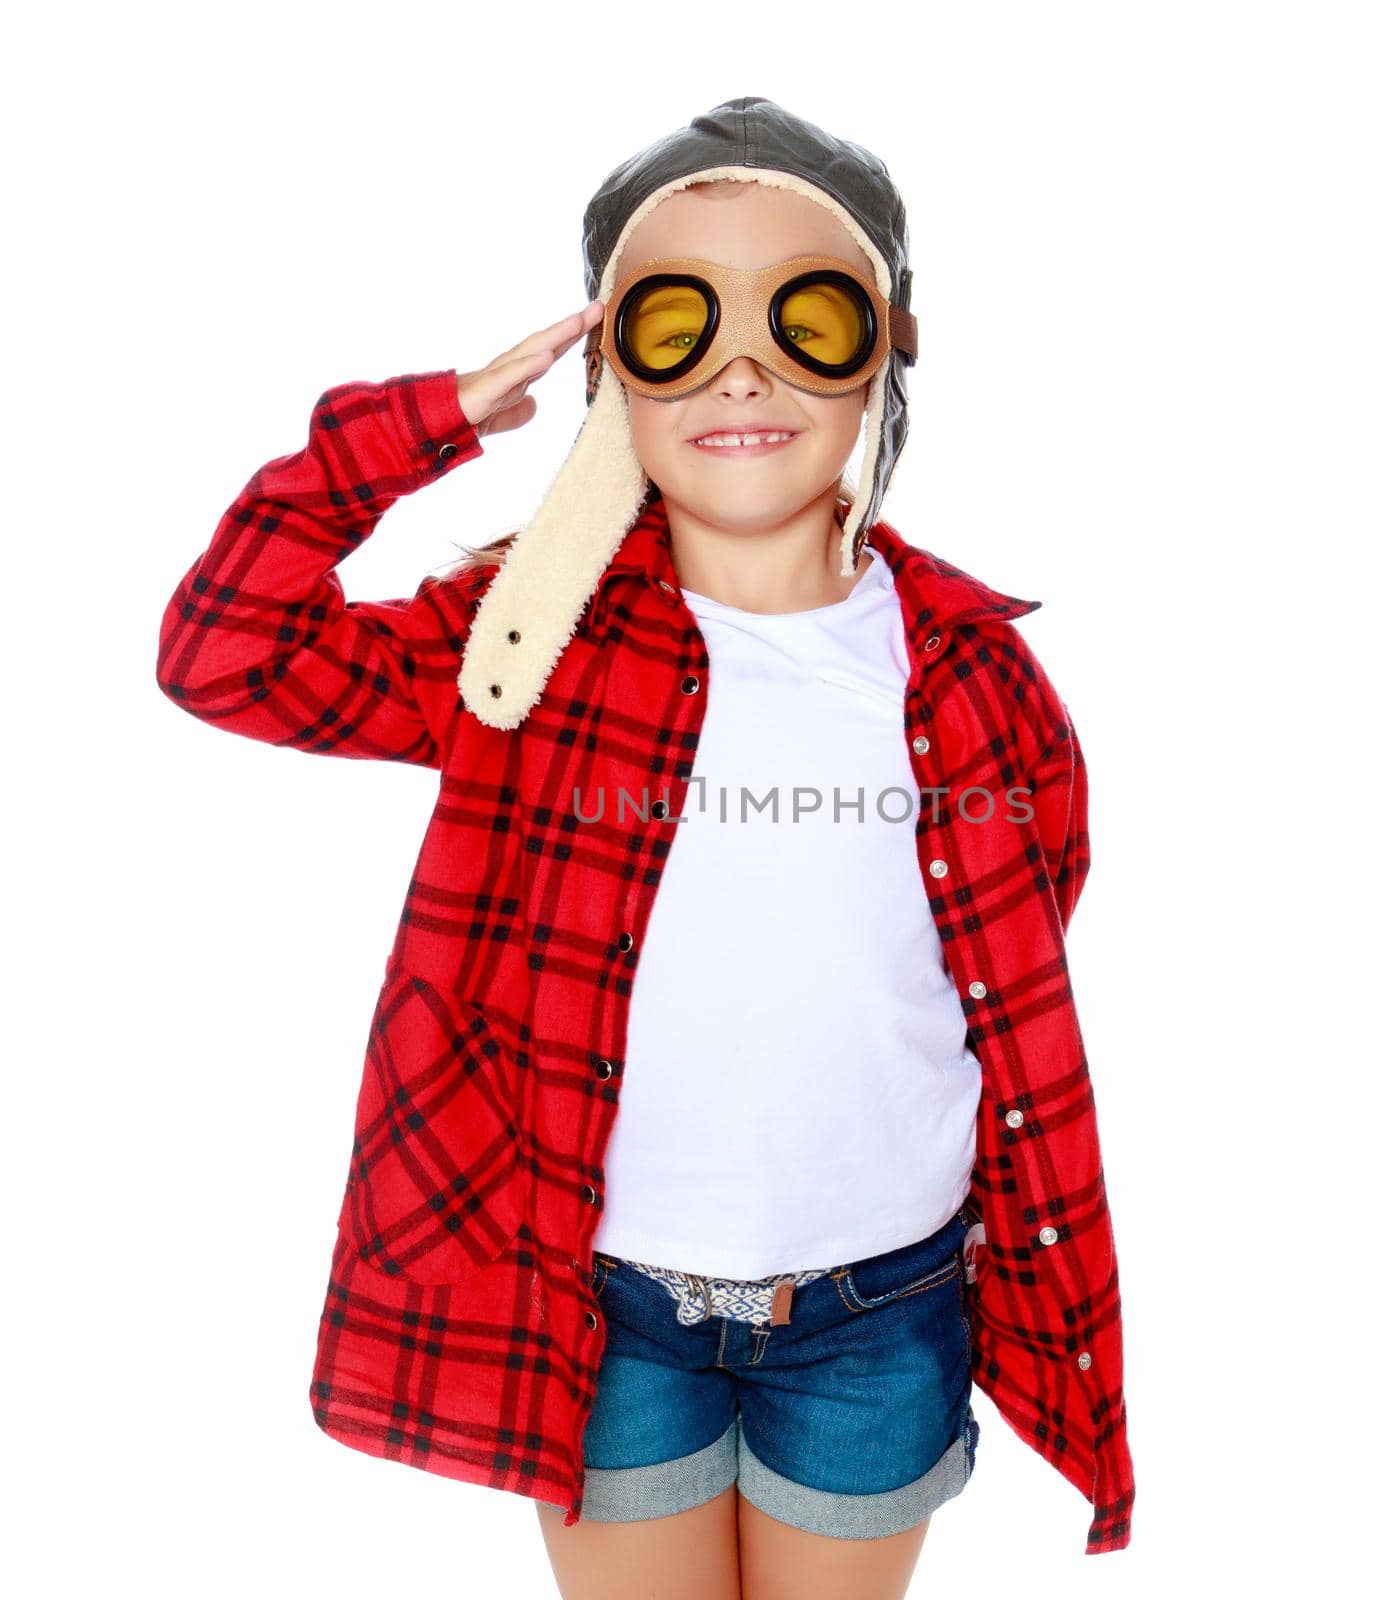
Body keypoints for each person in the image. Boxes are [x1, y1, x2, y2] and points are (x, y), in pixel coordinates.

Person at [155, 97, 1134, 1599]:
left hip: (884, 1305)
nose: (743, 369)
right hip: (604, 1311)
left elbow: (1016, 943)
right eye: (679, 321)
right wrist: (419, 428)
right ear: (613, 361)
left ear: (889, 343)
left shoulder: (979, 679)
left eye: (807, 315)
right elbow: (226, 653)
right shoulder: (521, 645)